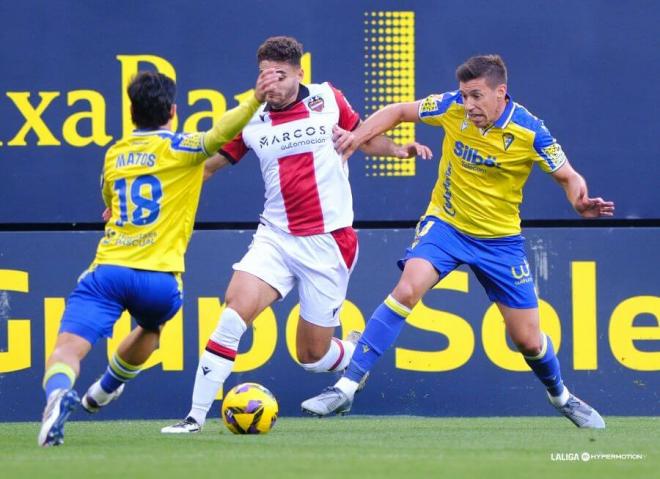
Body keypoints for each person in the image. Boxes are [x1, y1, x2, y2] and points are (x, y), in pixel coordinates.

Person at [301, 54, 614, 429]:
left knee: (528, 341)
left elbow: (568, 176)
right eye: (465, 95)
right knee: (407, 288)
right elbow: (401, 110)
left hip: (500, 242)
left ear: (501, 93)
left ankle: (560, 396)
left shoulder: (531, 131)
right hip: (446, 226)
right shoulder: (452, 107)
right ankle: (348, 386)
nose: (468, 105)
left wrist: (580, 201)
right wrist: (358, 135)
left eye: (477, 96)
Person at [161, 36, 431, 433]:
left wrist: (398, 150)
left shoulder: (327, 99)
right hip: (275, 237)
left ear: (300, 73)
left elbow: (361, 136)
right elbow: (205, 167)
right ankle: (193, 418)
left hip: (328, 241)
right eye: (264, 74)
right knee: (232, 315)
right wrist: (154, 199)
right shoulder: (249, 117)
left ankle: (352, 354)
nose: (270, 83)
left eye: (280, 75)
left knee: (311, 356)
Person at [38, 68, 278, 447]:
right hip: (159, 281)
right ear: (173, 111)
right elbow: (221, 133)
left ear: (131, 113)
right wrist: (254, 98)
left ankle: (57, 395)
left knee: (67, 349)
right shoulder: (182, 149)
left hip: (110, 271)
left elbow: (108, 202)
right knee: (150, 329)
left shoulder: (115, 154)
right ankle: (104, 390)